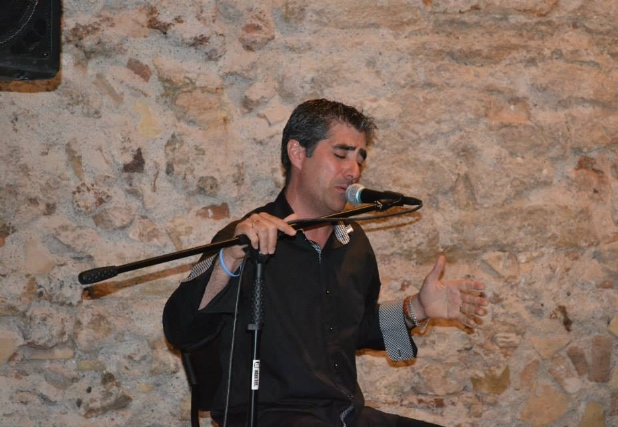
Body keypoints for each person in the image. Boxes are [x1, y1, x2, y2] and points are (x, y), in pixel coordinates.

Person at [163, 99, 489, 427]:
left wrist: (416, 308)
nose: (354, 171)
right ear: (297, 152)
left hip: (344, 415)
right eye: (340, 154)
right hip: (271, 417)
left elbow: (356, 330)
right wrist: (229, 256)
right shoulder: (247, 239)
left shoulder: (353, 242)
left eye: (360, 158)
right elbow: (181, 330)